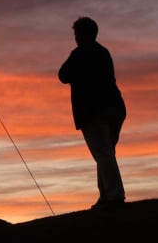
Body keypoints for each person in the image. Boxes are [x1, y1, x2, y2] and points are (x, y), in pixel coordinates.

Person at [58, 16, 127, 210]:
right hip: (115, 108)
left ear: (81, 34)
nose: (75, 38)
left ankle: (114, 195)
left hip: (93, 111)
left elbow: (63, 75)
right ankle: (106, 195)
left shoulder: (80, 53)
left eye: (76, 34)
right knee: (105, 152)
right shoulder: (103, 52)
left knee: (103, 152)